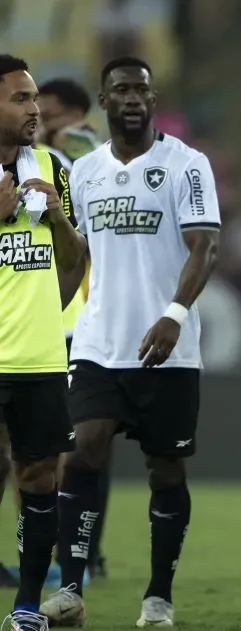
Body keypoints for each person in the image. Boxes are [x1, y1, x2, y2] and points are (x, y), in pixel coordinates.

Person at [38, 56, 220, 631]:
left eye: (143, 90)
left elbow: (204, 246)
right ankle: (70, 588)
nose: (134, 98)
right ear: (105, 100)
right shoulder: (85, 172)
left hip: (168, 348)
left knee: (166, 470)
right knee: (83, 450)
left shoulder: (187, 165)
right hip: (99, 343)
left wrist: (173, 314)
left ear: (152, 98)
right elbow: (77, 258)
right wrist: (45, 315)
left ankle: (158, 593)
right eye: (122, 90)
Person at [0, 54, 86, 631]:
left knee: (38, 481)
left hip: (37, 358)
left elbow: (75, 264)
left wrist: (55, 220)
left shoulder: (53, 168)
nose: (35, 108)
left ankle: (28, 609)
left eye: (34, 98)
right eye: (20, 99)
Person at [37, 77, 108, 584]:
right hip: (36, 325)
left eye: (49, 111)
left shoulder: (74, 159)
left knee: (70, 447)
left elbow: (81, 232)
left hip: (70, 322)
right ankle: (66, 554)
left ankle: (75, 555)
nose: (41, 119)